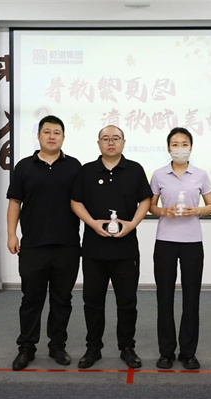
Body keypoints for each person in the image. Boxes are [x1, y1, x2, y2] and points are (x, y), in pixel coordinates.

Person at [71, 125, 152, 369]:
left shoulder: (135, 169)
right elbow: (75, 202)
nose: (110, 142)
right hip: (94, 249)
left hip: (126, 249)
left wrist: (132, 224)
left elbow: (145, 199)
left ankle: (127, 347)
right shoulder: (87, 171)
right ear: (98, 143)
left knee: (127, 302)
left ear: (123, 142)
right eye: (105, 138)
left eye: (116, 138)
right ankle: (93, 348)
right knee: (92, 301)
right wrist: (92, 223)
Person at [6, 115, 82, 370]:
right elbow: (15, 202)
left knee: (62, 300)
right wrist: (11, 234)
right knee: (31, 299)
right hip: (33, 245)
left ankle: (57, 346)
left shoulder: (74, 166)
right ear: (38, 136)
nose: (52, 136)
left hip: (67, 245)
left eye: (57, 132)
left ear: (63, 137)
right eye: (47, 131)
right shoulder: (24, 166)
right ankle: (26, 348)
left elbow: (82, 203)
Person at [149, 127, 211, 370]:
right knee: (164, 297)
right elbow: (151, 206)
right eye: (175, 144)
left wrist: (196, 210)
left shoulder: (201, 175)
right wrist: (163, 211)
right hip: (165, 241)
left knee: (191, 297)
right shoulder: (158, 174)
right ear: (168, 148)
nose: (180, 148)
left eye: (184, 144)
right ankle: (166, 352)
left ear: (191, 147)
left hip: (192, 242)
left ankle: (188, 352)